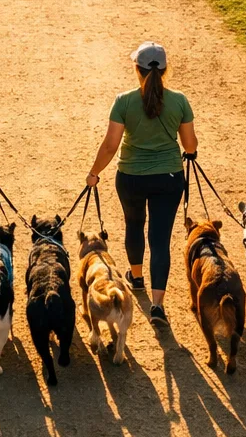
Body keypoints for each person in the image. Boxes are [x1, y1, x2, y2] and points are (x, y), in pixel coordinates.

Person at [84, 42, 197, 328]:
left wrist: (94, 172)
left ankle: (136, 277)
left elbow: (111, 145)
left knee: (134, 225)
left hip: (131, 177)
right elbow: (190, 145)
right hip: (169, 178)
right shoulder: (180, 101)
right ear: (165, 69)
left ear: (137, 69)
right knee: (160, 239)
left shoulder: (123, 101)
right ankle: (158, 305)